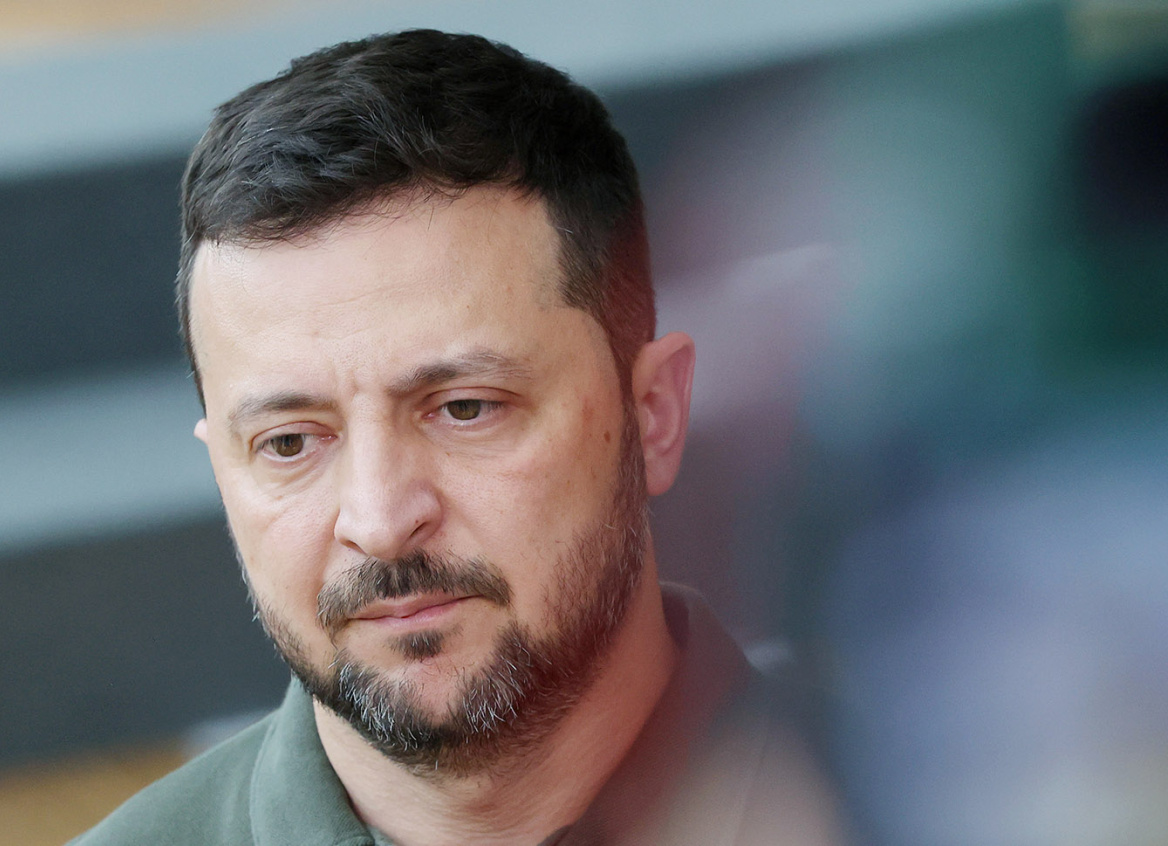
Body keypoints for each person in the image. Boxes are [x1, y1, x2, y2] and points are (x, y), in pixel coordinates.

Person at [72, 29, 842, 846]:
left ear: (653, 415)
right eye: (290, 443)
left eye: (466, 408)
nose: (380, 521)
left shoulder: (909, 805)